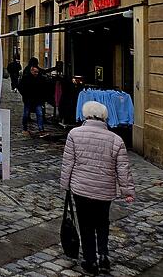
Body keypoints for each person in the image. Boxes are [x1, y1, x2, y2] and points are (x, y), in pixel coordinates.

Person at [60, 101, 135, 275]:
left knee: (85, 224)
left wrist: (65, 185)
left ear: (85, 114)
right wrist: (127, 191)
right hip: (104, 190)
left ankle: (90, 260)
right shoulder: (116, 139)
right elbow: (123, 168)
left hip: (81, 187)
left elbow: (68, 163)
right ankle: (103, 255)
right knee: (102, 222)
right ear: (104, 117)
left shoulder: (74, 134)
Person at [19, 61, 46, 135]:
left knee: (40, 114)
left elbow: (44, 88)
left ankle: (41, 129)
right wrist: (25, 95)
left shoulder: (40, 78)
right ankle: (25, 129)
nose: (36, 73)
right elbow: (20, 87)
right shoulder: (26, 78)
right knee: (26, 114)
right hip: (28, 100)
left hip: (38, 100)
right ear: (31, 71)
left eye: (37, 72)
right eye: (35, 72)